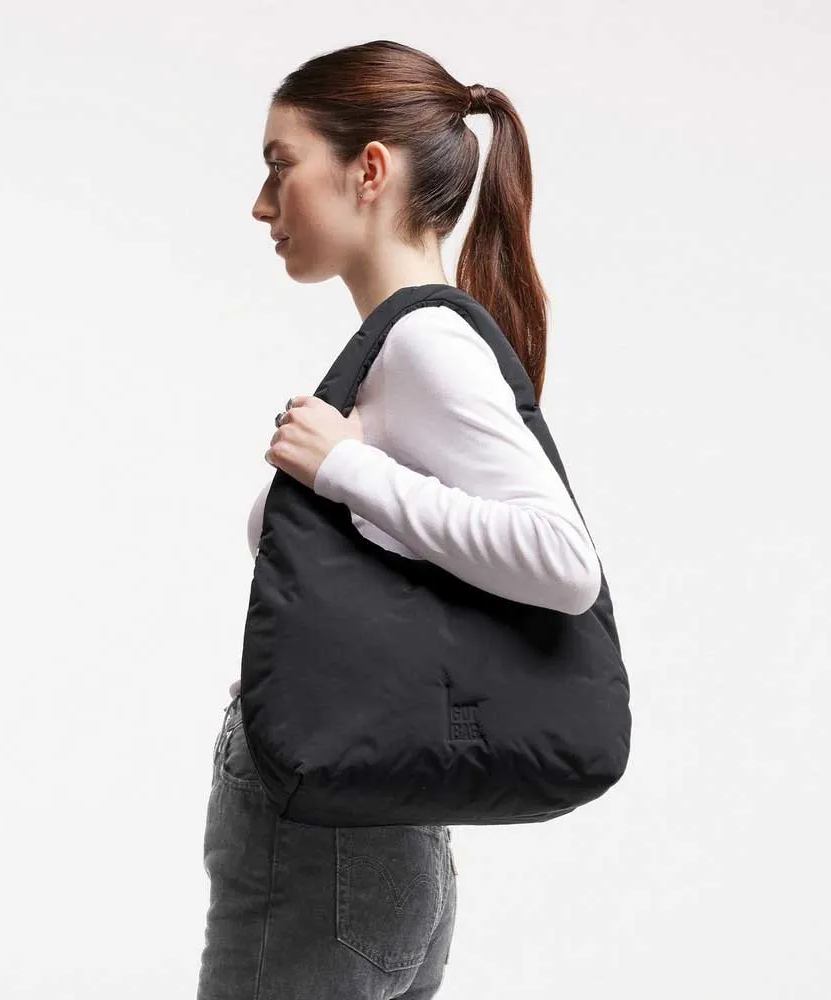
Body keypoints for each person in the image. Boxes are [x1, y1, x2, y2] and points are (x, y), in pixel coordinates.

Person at [197, 39, 602, 1000]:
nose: (262, 204)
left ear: (368, 169)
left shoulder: (424, 343)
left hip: (328, 846)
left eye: (280, 165)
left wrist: (345, 469)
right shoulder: (405, 346)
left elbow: (563, 562)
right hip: (359, 835)